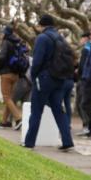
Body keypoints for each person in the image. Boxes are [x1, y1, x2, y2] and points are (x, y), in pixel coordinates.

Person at [22, 14, 75, 151]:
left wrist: (34, 76)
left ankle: (29, 142)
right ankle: (67, 141)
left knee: (36, 111)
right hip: (59, 79)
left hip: (44, 79)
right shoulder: (61, 38)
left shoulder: (42, 38)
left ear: (41, 25)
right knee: (58, 110)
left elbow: (37, 61)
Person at [0, 26, 25, 128]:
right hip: (16, 74)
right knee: (10, 98)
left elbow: (2, 57)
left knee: (7, 98)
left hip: (6, 73)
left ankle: (18, 118)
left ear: (5, 33)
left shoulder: (6, 42)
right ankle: (4, 121)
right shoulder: (17, 42)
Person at [75, 32, 91, 136]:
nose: (80, 40)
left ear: (86, 39)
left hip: (83, 80)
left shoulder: (86, 49)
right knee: (84, 104)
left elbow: (83, 65)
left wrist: (77, 71)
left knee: (80, 104)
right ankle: (88, 126)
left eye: (81, 38)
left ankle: (86, 126)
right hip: (88, 80)